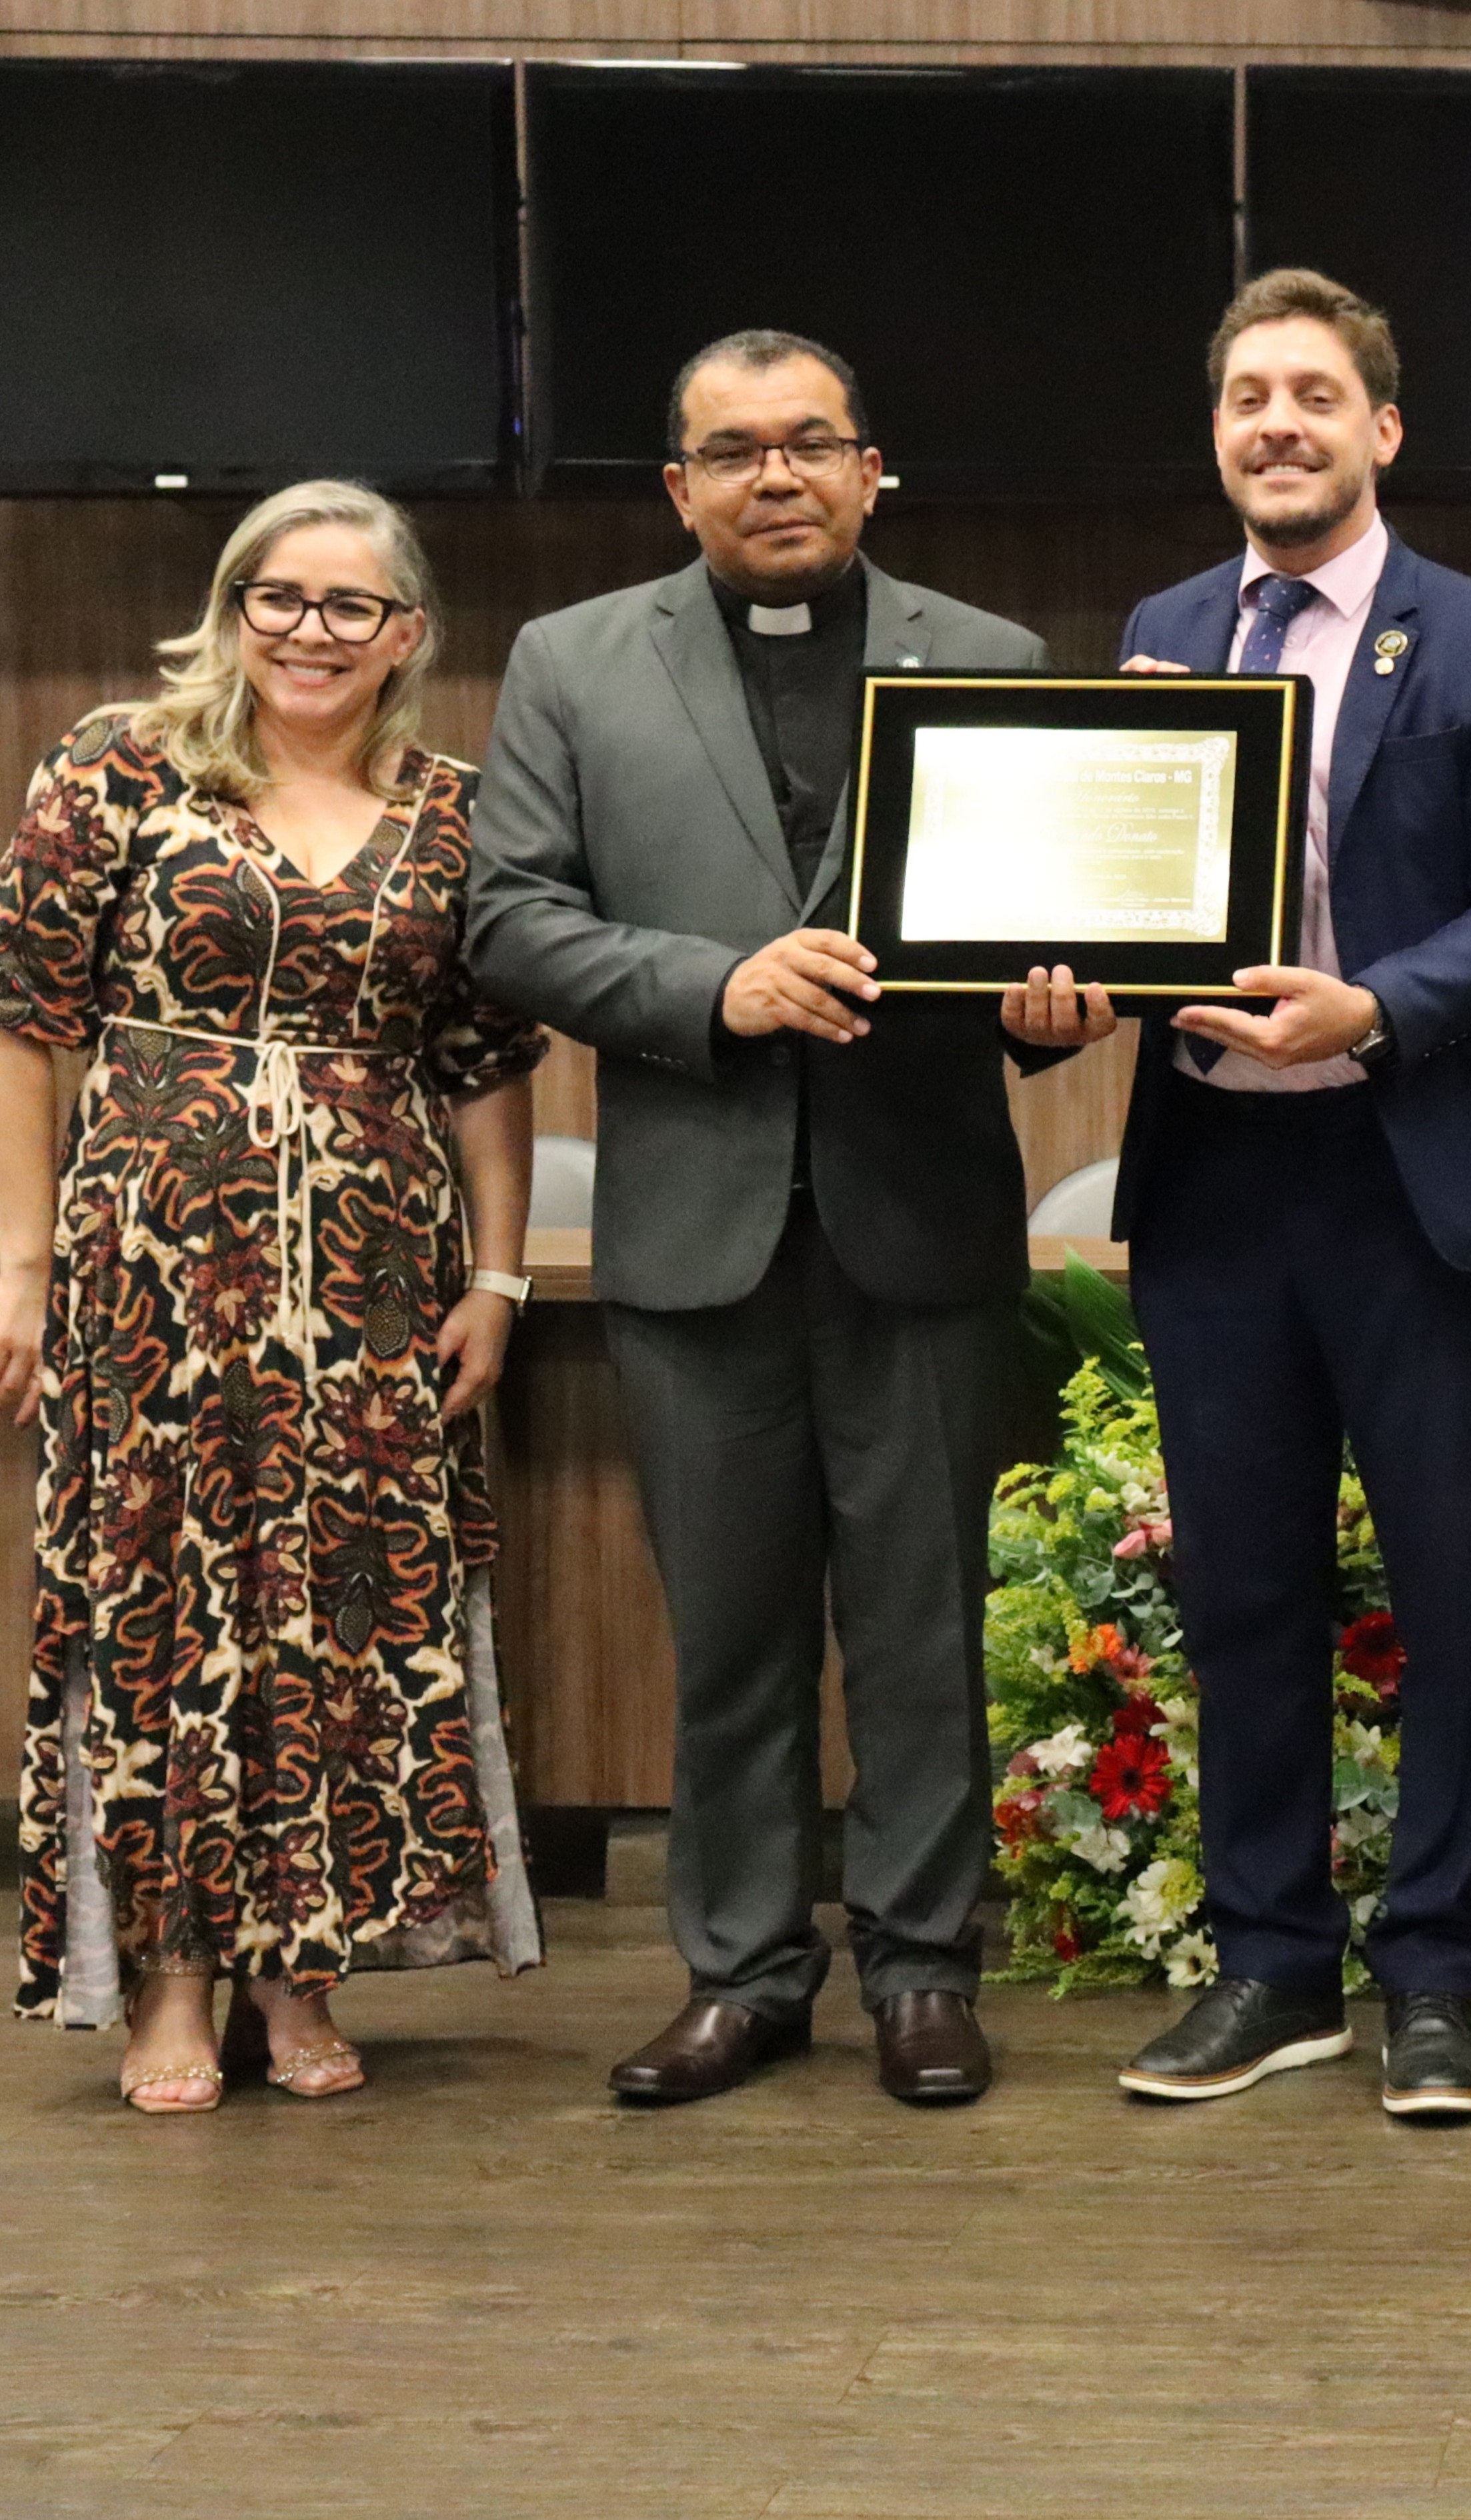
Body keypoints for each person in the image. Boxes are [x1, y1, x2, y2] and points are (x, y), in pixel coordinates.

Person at [471, 331, 1085, 2109]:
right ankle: (739, 1973)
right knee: (728, 1630)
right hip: (695, 1230)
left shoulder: (992, 659)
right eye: (733, 453)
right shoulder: (572, 662)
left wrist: (1062, 1002)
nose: (776, 477)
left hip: (921, 1216)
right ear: (679, 487)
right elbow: (510, 922)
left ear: (870, 468)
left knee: (923, 1622)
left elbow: (1039, 933)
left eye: (811, 443)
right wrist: (711, 981)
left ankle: (920, 1970)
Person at [1079, 270, 1471, 2121]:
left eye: (1311, 395)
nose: (1274, 424)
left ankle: (1435, 1972)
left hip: (1408, 1174)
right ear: (1216, 434)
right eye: (1243, 399)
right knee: (1243, 1592)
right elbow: (1119, 889)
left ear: (1381, 429)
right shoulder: (1161, 629)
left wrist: (1378, 1002)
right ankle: (1272, 1961)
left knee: (1454, 1588)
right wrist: (1068, 970)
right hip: (1216, 1174)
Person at [3, 481, 544, 2109]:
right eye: (281, 598)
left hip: (379, 1277)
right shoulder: (114, 766)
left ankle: (300, 1971)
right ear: (234, 609)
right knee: (172, 1606)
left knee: (343, 1611)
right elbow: (27, 1026)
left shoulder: (459, 809)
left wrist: (502, 1278)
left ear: (408, 635)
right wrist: (21, 1265)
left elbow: (488, 1067)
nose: (313, 631)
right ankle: (171, 1983)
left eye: (350, 605)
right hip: (149, 1263)